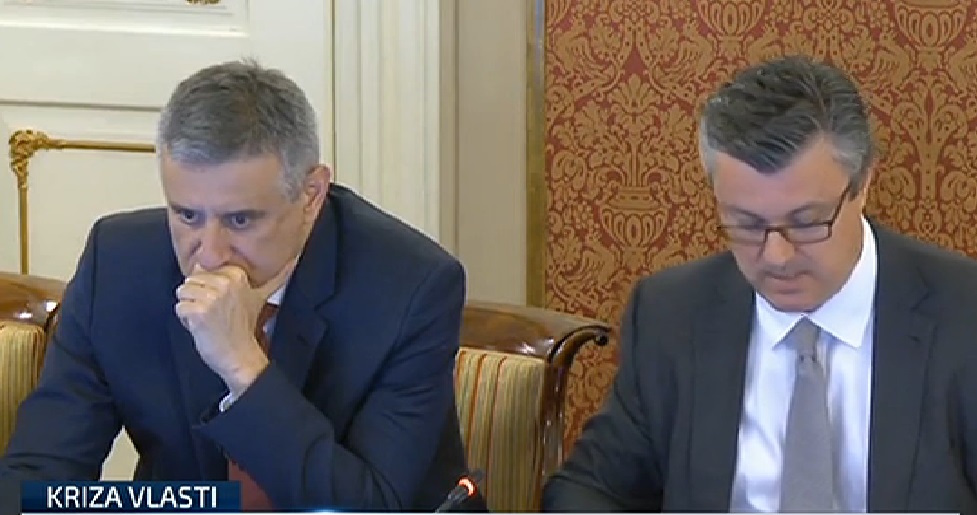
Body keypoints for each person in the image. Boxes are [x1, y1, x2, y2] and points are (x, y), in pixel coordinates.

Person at [0, 59, 481, 513]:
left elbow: (369, 506)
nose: (209, 255)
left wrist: (242, 367)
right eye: (187, 215)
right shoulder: (119, 263)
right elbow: (39, 479)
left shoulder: (410, 286)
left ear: (311, 195)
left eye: (240, 220)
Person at [542, 55, 977, 513]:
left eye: (807, 222)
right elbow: (589, 489)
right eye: (747, 225)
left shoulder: (964, 312)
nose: (777, 257)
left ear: (862, 183)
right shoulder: (672, 314)